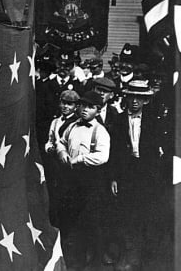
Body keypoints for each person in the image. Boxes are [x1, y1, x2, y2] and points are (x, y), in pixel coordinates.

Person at [110, 80, 163, 269]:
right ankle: (128, 254)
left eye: (139, 98)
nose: (134, 102)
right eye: (132, 97)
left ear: (146, 101)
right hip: (126, 171)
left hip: (146, 172)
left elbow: (157, 151)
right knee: (126, 212)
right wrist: (114, 177)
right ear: (126, 97)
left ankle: (146, 256)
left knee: (146, 212)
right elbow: (114, 151)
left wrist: (155, 175)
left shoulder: (153, 121)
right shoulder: (118, 120)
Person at [56, 90, 110, 270]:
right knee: (73, 220)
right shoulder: (72, 126)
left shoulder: (99, 131)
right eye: (82, 106)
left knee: (92, 221)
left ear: (99, 110)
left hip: (91, 180)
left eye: (90, 107)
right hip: (72, 179)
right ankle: (75, 260)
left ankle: (95, 261)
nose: (85, 110)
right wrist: (62, 151)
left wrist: (80, 159)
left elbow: (102, 156)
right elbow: (61, 141)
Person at [44, 89, 80, 226]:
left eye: (70, 104)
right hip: (54, 162)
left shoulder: (77, 123)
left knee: (68, 193)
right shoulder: (55, 121)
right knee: (54, 192)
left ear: (76, 107)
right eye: (63, 103)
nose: (66, 107)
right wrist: (49, 148)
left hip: (68, 162)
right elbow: (50, 139)